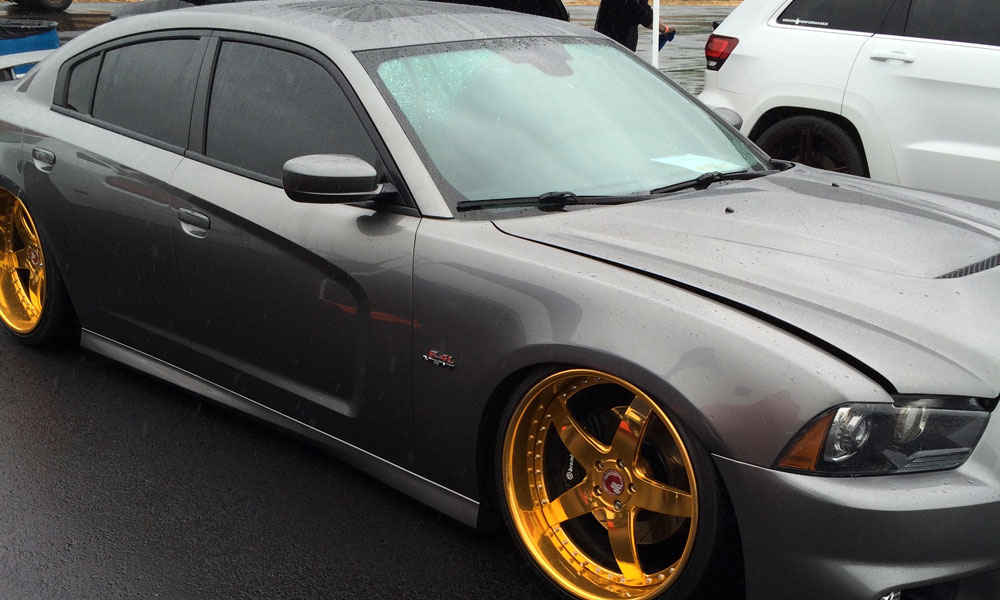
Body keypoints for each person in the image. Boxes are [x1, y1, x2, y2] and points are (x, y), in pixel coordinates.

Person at [594, 0, 675, 52]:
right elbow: (635, 10)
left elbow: (643, 6)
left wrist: (664, 28)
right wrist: (663, 29)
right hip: (609, 44)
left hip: (626, 45)